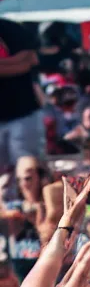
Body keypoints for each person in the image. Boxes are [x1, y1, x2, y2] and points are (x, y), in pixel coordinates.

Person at [0, 11, 42, 179]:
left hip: (23, 112)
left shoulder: (11, 28)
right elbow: (23, 63)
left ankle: (32, 203)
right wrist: (16, 62)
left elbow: (30, 61)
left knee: (28, 170)